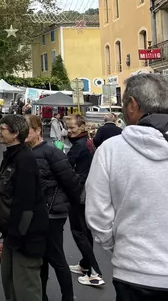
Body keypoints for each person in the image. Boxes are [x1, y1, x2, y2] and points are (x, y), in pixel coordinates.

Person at [86, 74, 168, 300]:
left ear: (133, 105)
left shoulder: (111, 150)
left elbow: (97, 215)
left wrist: (121, 247)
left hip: (133, 271)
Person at [25, 115, 82, 301]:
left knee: (56, 257)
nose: (25, 133)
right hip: (37, 214)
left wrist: (67, 207)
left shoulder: (51, 153)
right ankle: (41, 295)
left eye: (28, 129)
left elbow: (71, 183)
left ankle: (67, 297)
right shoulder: (27, 152)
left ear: (38, 130)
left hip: (52, 214)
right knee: (39, 258)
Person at [0, 115, 48, 301]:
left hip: (25, 237)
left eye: (3, 128)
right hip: (13, 233)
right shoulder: (12, 156)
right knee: (10, 284)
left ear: (15, 133)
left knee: (25, 289)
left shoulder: (24, 159)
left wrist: (18, 235)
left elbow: (26, 203)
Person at [64, 113, 104, 286]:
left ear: (82, 127)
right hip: (87, 192)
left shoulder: (79, 146)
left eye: (72, 127)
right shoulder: (87, 143)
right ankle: (85, 264)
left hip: (79, 194)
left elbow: (70, 171)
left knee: (79, 232)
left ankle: (94, 272)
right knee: (85, 232)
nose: (69, 131)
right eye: (68, 127)